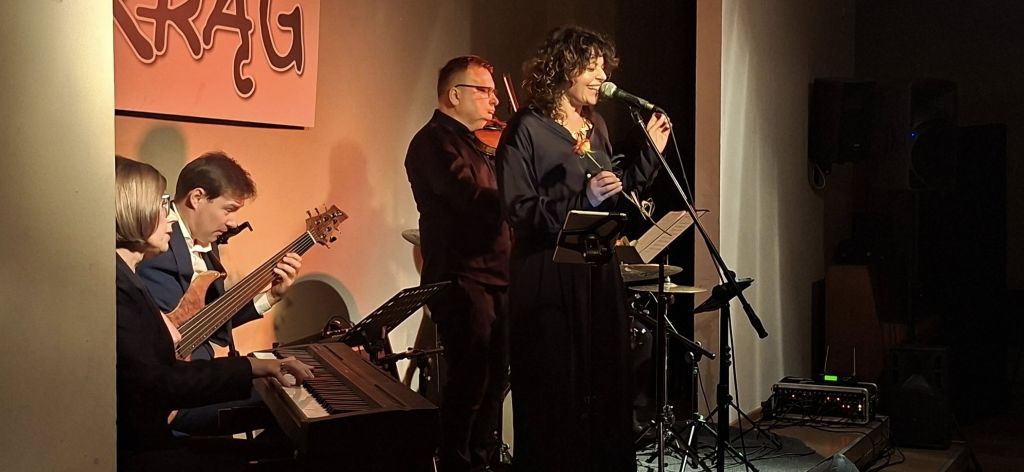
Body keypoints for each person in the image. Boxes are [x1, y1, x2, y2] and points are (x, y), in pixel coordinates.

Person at [495, 26, 671, 471]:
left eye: (603, 67)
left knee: (605, 380)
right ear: (563, 69)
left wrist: (650, 154)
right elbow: (519, 209)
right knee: (556, 387)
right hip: (547, 275)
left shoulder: (597, 126)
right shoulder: (526, 129)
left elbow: (615, 196)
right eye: (591, 67)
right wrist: (581, 199)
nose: (602, 76)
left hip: (595, 268)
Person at [115, 156, 313, 471]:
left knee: (285, 418)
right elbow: (162, 371)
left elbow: (207, 325)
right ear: (197, 198)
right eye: (161, 205)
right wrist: (253, 367)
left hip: (183, 387)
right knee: (287, 408)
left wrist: (269, 298)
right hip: (168, 410)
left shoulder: (197, 251)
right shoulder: (142, 266)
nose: (169, 217)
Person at [404, 55, 512, 472]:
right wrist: (519, 193)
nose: (494, 100)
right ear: (454, 94)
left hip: (499, 275)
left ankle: (482, 461)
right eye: (484, 90)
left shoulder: (482, 143)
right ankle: (457, 464)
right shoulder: (431, 143)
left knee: (495, 383)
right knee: (469, 384)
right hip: (462, 278)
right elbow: (468, 199)